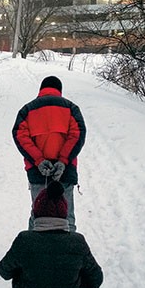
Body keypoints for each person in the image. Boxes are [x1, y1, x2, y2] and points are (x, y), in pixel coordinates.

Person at [0, 181, 103, 288]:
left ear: (36, 212)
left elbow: (4, 271)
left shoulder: (24, 240)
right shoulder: (77, 242)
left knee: (19, 269)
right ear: (64, 213)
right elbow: (96, 278)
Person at [12, 75, 86, 232]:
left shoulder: (27, 110)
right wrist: (63, 161)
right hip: (65, 171)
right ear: (59, 90)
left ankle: (33, 246)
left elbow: (20, 135)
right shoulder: (71, 109)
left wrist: (38, 160)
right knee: (67, 216)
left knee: (38, 214)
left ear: (41, 90)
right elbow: (77, 134)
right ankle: (68, 246)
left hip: (38, 172)